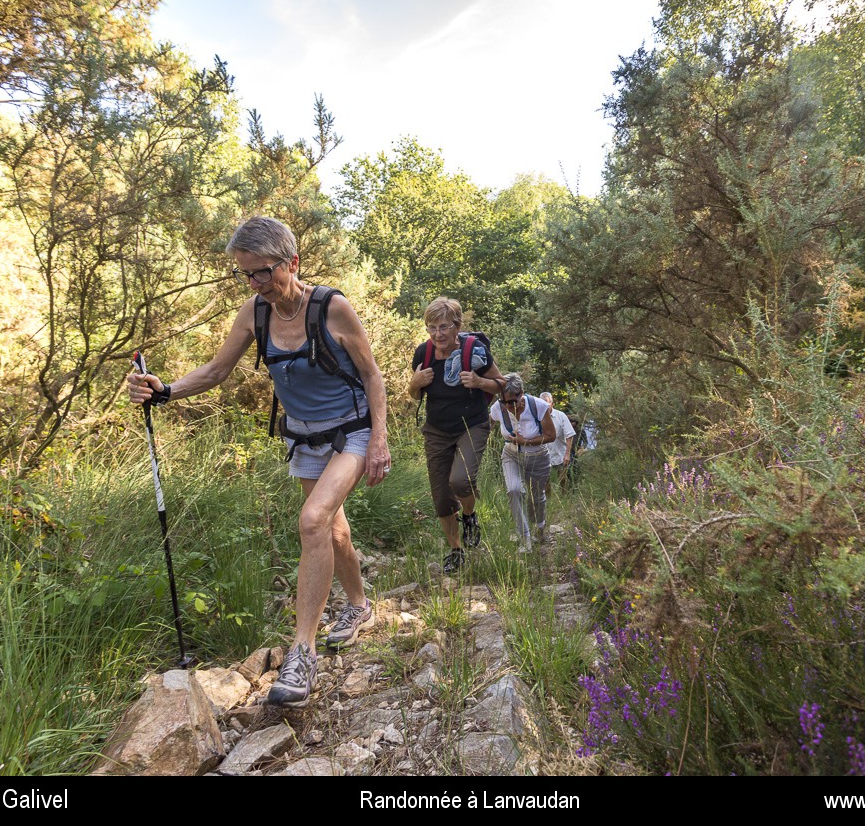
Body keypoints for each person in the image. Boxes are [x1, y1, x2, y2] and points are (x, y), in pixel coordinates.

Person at [127, 216, 390, 709]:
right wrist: (164, 391)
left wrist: (379, 440)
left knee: (312, 521)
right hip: (304, 438)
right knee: (332, 530)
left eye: (263, 273)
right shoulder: (255, 312)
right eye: (245, 275)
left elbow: (373, 377)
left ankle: (301, 652)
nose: (254, 284)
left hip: (352, 432)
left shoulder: (333, 309)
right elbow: (216, 370)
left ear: (292, 263)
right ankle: (359, 606)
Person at [409, 297, 506, 574]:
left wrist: (479, 382)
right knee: (441, 498)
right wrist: (414, 384)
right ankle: (456, 549)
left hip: (471, 425)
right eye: (431, 328)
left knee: (461, 481)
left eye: (443, 327)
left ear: (457, 326)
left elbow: (501, 384)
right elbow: (415, 394)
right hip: (436, 430)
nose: (437, 334)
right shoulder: (423, 354)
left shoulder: (475, 351)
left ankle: (469, 515)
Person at [489, 374, 555, 553]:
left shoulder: (538, 406)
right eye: (504, 402)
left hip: (539, 457)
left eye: (512, 402)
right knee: (514, 490)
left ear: (522, 394)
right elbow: (487, 424)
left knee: (537, 498)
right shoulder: (498, 408)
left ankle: (540, 528)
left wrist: (525, 441)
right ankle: (525, 537)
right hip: (511, 455)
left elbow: (551, 436)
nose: (508, 406)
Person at [539, 392, 576, 495]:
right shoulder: (536, 417)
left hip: (560, 453)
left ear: (552, 404)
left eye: (547, 402)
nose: (544, 405)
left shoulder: (560, 416)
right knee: (545, 481)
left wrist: (567, 454)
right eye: (541, 403)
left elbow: (569, 435)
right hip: (544, 453)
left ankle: (565, 499)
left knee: (563, 479)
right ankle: (547, 502)